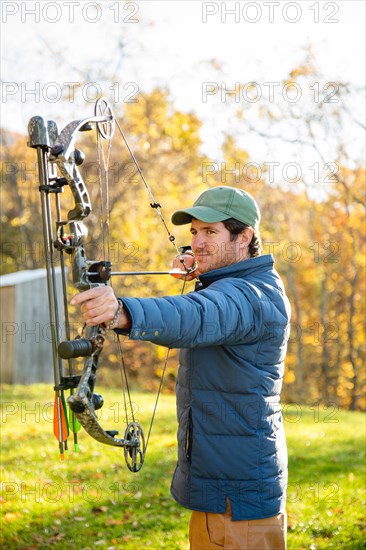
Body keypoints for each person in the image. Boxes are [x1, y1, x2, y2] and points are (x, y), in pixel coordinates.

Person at [71, 186, 291, 550]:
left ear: (244, 237)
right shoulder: (240, 284)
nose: (197, 242)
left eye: (211, 232)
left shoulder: (252, 297)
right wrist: (206, 271)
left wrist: (122, 311)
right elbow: (212, 301)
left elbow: (196, 314)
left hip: (237, 507)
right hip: (225, 493)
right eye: (194, 232)